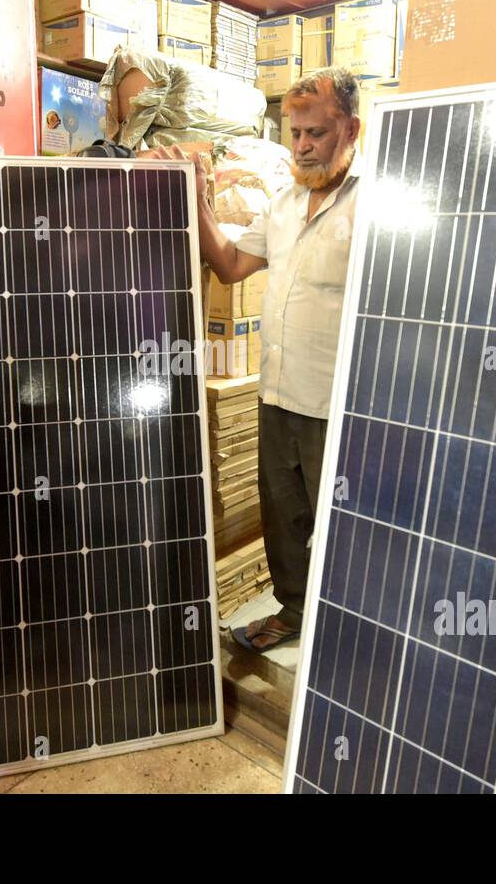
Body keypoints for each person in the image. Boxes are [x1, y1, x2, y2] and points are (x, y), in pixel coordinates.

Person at [154, 67, 362, 652]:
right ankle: (294, 614)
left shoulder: (374, 203)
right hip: (277, 395)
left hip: (338, 404)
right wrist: (196, 200)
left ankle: (346, 636)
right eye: (294, 132)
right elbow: (229, 266)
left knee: (344, 527)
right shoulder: (284, 203)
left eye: (316, 132)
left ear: (350, 129)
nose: (301, 145)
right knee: (283, 518)